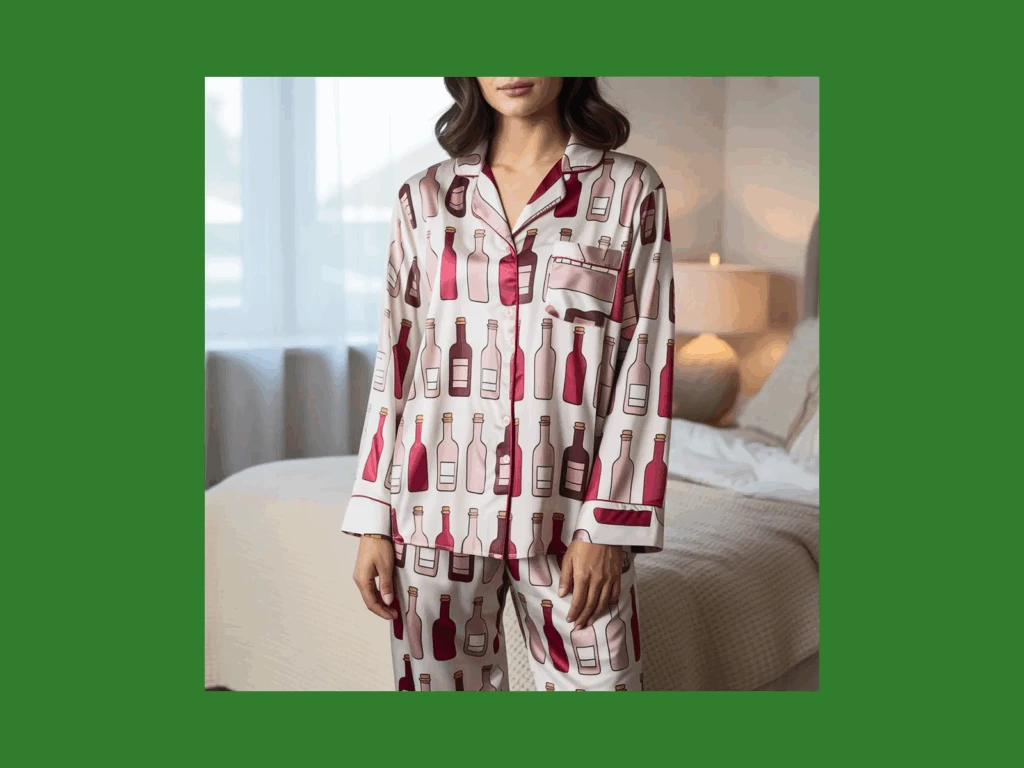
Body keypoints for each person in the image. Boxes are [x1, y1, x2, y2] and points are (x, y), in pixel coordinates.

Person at [343, 77, 675, 692]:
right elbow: (397, 363)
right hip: (432, 512)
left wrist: (608, 526)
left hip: (571, 512)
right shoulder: (423, 199)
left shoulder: (630, 189)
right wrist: (373, 520)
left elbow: (645, 361)